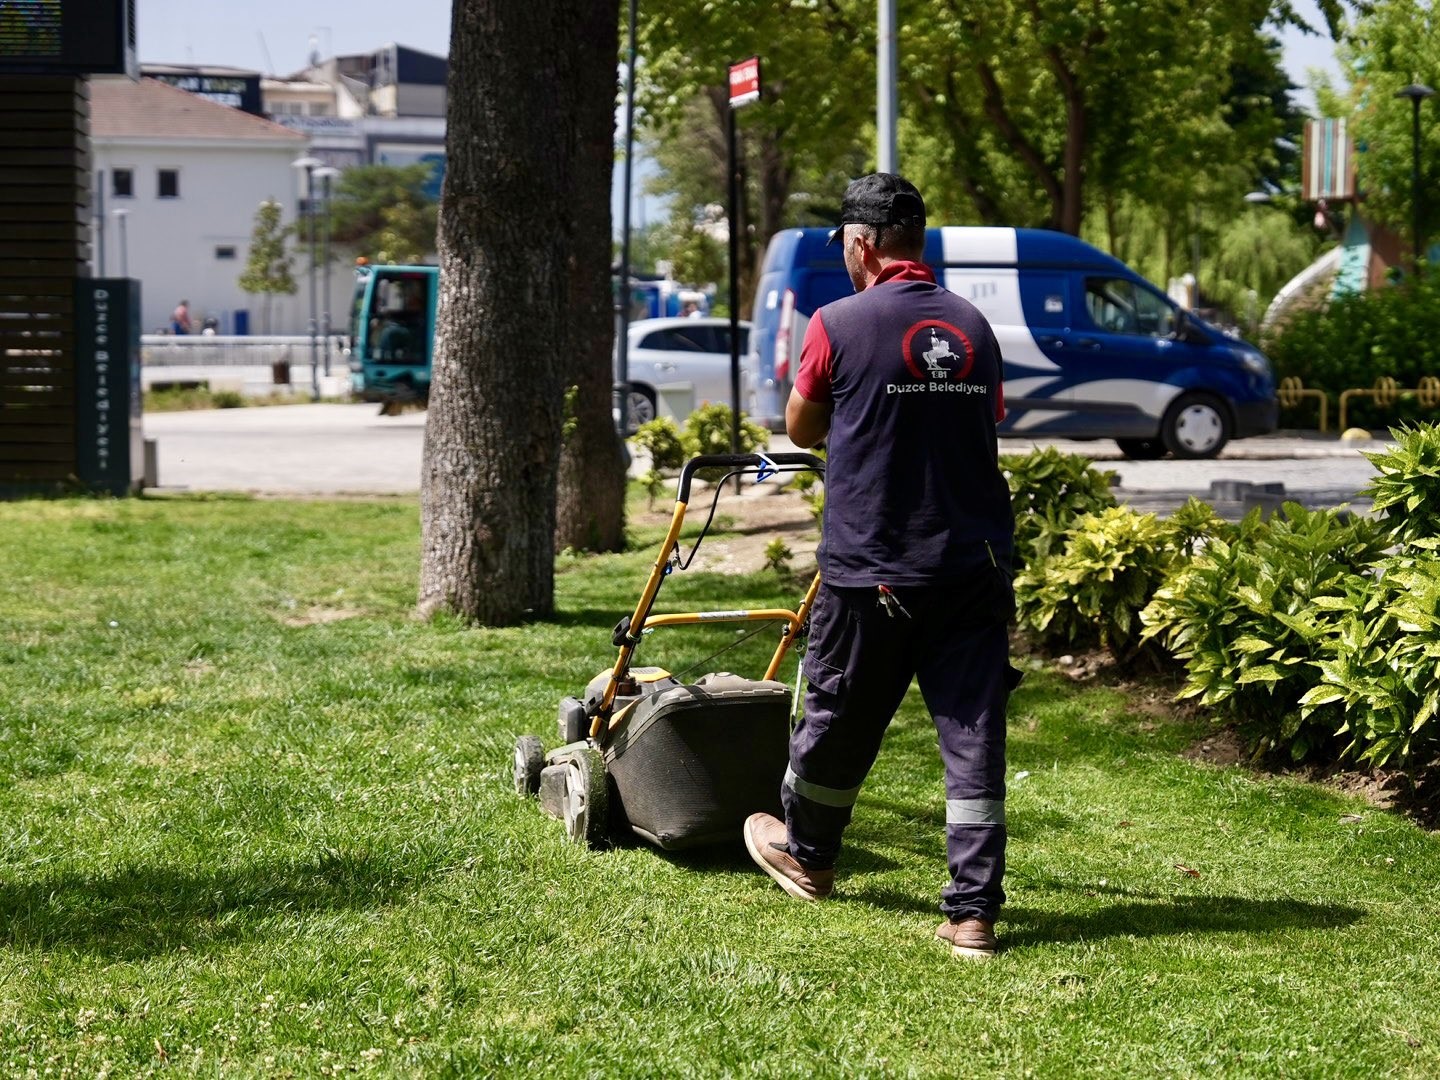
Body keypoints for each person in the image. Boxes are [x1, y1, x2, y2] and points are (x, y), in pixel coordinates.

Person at [742, 173, 1019, 960]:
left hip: (874, 571)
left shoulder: (836, 323)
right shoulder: (973, 327)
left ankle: (809, 854)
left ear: (862, 245)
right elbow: (980, 417)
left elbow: (801, 428)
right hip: (969, 564)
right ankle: (972, 915)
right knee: (973, 739)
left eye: (848, 250)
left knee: (837, 717)